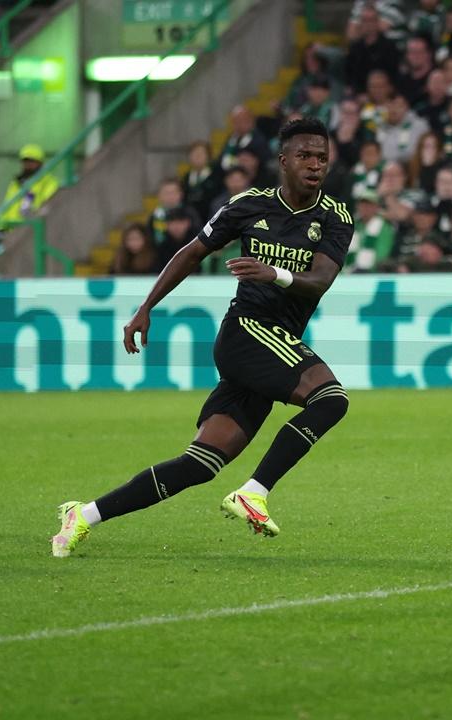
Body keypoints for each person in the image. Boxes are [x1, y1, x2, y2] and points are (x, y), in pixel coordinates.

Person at [50, 119, 355, 557]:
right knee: (331, 399)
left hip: (275, 341)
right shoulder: (249, 205)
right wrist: (146, 307)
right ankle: (254, 491)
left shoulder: (334, 216)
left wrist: (275, 273)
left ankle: (85, 514)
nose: (315, 165)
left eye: (322, 158)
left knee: (200, 464)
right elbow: (192, 251)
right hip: (247, 332)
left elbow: (320, 280)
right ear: (283, 160)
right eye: (305, 156)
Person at [0, 144, 59, 225]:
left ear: (40, 163)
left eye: (31, 161)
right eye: (25, 161)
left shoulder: (49, 182)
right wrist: (0, 228)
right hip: (11, 231)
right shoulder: (16, 183)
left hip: (31, 232)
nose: (27, 165)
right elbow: (6, 207)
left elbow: (47, 208)